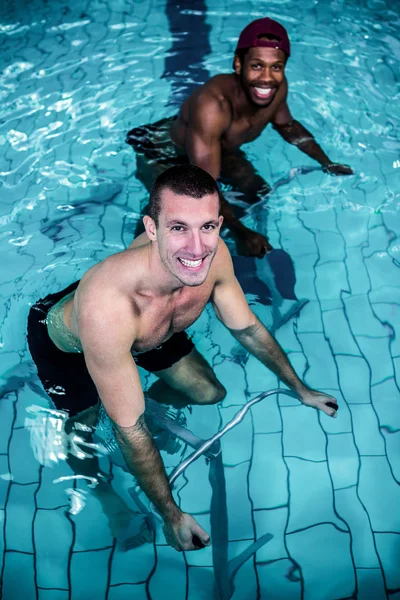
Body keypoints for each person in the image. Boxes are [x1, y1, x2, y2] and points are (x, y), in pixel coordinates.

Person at [27, 165, 338, 552]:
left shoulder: (213, 256)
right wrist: (171, 514)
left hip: (149, 326)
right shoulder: (107, 308)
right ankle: (107, 498)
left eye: (207, 227)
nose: (196, 248)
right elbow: (130, 429)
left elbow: (247, 329)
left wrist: (301, 388)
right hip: (68, 341)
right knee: (86, 423)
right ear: (152, 228)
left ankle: (148, 397)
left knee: (208, 391)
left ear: (220, 224)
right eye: (178, 228)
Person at [127, 17, 353, 258]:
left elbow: (287, 127)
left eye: (276, 67)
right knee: (173, 210)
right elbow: (206, 186)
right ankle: (140, 257)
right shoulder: (212, 106)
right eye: (257, 65)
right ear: (238, 64)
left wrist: (326, 162)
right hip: (163, 152)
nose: (267, 78)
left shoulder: (276, 89)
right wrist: (241, 232)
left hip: (218, 148)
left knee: (257, 191)